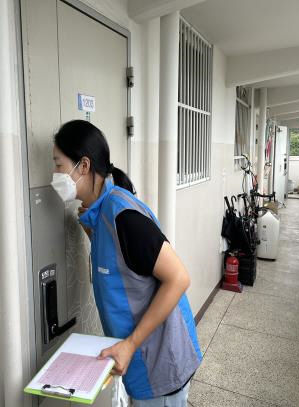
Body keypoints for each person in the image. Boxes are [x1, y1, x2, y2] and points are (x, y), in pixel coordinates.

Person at [51, 120, 202, 407]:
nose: (55, 174)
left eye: (59, 165)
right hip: (140, 358)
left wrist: (130, 345)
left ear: (83, 166)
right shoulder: (100, 212)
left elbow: (179, 278)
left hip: (161, 360)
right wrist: (86, 215)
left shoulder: (124, 216)